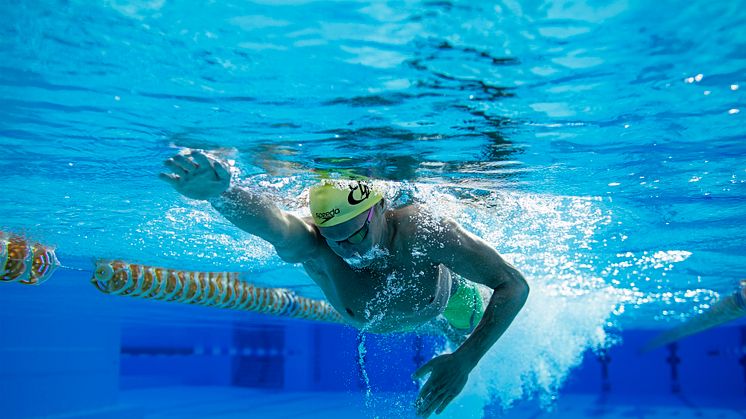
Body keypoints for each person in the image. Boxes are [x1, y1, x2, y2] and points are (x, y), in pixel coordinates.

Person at [160, 149, 529, 417]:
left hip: (448, 302)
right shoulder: (319, 248)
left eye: (356, 233)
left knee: (465, 328)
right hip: (418, 309)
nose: (348, 248)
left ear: (381, 208)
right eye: (334, 236)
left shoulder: (421, 231)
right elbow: (276, 226)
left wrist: (465, 361)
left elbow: (513, 286)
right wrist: (221, 195)